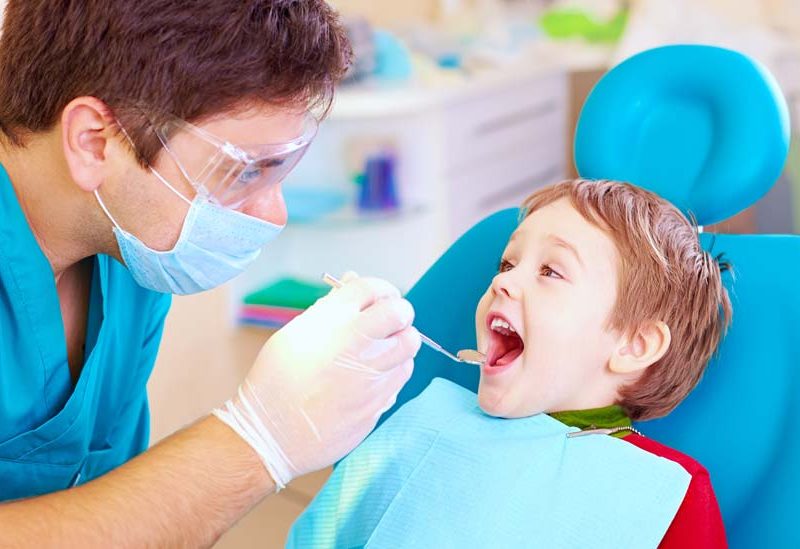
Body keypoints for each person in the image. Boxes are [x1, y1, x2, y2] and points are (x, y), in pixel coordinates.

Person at [0, 1, 421, 546]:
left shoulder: (129, 258)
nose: (274, 214)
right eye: (245, 170)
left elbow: (123, 510)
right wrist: (257, 438)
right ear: (94, 141)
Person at [289, 179, 731, 548]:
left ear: (635, 345)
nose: (503, 280)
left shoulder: (666, 493)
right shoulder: (426, 420)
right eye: (508, 263)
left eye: (550, 272)